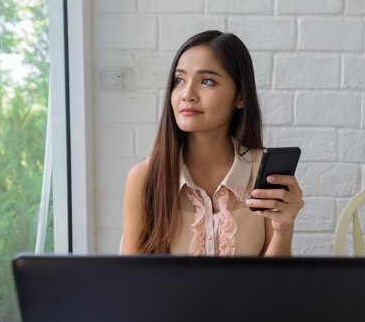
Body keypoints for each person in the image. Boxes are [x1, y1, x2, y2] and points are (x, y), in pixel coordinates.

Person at [120, 30, 304, 256]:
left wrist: (284, 229)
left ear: (240, 97)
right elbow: (129, 281)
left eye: (207, 81)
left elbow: (275, 285)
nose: (187, 94)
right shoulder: (144, 177)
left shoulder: (262, 173)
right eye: (179, 80)